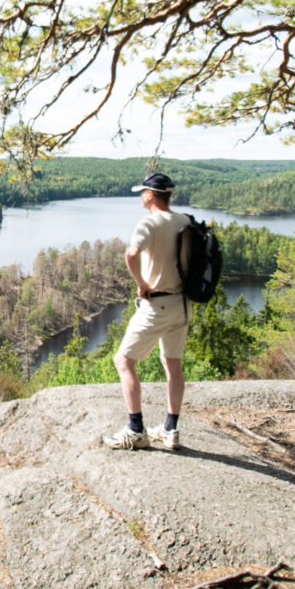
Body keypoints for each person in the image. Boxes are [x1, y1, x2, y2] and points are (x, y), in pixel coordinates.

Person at [105, 172, 189, 450]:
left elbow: (130, 254)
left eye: (142, 192)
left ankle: (136, 429)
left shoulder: (149, 223)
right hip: (183, 304)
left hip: (158, 304)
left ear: (150, 195)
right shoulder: (184, 221)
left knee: (124, 361)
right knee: (173, 365)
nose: (141, 196)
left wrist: (141, 285)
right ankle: (170, 430)